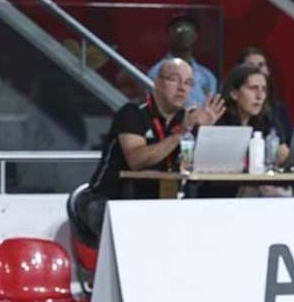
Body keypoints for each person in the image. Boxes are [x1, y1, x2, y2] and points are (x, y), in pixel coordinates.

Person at [68, 59, 226, 248]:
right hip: (106, 199)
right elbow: (136, 160)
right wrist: (183, 131)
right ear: (157, 83)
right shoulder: (132, 113)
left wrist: (206, 134)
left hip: (155, 202)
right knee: (134, 229)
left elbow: (194, 166)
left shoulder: (185, 119)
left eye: (189, 83)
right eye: (175, 80)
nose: (182, 88)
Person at [199, 64, 291, 198]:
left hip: (253, 195)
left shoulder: (265, 118)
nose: (260, 96)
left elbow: (283, 155)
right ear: (234, 93)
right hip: (216, 196)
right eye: (253, 88)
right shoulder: (217, 118)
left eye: (264, 90)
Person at [147, 15, 218, 108]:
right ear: (168, 35)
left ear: (195, 36)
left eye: (187, 29)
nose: (183, 33)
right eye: (178, 29)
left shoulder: (207, 76)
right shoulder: (157, 72)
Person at [237, 45, 294, 142]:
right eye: (250, 65)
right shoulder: (233, 111)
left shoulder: (279, 109)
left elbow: (289, 143)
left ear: (268, 71)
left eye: (261, 65)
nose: (256, 69)